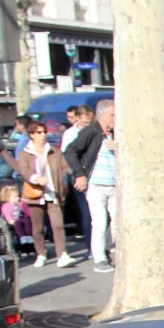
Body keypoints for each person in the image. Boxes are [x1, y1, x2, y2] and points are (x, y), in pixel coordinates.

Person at [64, 99, 117, 272]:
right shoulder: (91, 132)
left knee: (118, 221)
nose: (115, 118)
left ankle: (110, 248)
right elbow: (70, 151)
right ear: (101, 115)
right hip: (95, 184)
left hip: (115, 184)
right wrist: (79, 174)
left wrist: (119, 147)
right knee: (99, 221)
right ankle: (99, 258)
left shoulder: (117, 133)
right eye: (112, 115)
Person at [16, 120, 77, 269]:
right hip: (35, 194)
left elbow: (64, 167)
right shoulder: (26, 153)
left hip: (53, 193)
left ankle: (62, 254)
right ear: (31, 135)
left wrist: (68, 176)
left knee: (58, 225)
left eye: (44, 132)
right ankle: (41, 254)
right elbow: (23, 170)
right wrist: (36, 178)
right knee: (38, 227)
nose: (43, 135)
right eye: (39, 132)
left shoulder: (54, 151)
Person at [61, 104, 93, 251]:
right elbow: (67, 156)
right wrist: (75, 174)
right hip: (79, 176)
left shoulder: (95, 131)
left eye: (90, 122)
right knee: (86, 213)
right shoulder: (70, 134)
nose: (88, 126)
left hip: (94, 175)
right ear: (78, 119)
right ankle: (90, 246)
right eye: (85, 123)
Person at [0, 184, 35, 255]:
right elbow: (7, 214)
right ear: (8, 198)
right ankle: (22, 238)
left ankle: (29, 236)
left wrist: (30, 216)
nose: (17, 198)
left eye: (18, 196)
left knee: (27, 221)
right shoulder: (6, 206)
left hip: (23, 218)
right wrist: (10, 220)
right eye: (14, 197)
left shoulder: (21, 204)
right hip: (15, 220)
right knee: (17, 224)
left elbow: (27, 211)